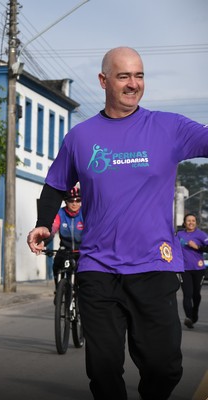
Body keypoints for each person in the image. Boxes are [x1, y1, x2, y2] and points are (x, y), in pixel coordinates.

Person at [26, 47, 208, 400]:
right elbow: (55, 184)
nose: (133, 84)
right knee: (103, 369)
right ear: (104, 80)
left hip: (154, 266)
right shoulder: (80, 137)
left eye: (139, 75)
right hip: (99, 267)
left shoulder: (169, 127)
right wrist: (43, 223)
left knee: (164, 367)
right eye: (124, 76)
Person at [175, 213, 208, 329]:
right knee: (187, 294)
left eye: (193, 221)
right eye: (188, 221)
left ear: (196, 223)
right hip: (184, 269)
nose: (191, 223)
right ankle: (189, 318)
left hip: (198, 269)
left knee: (196, 294)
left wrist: (197, 247)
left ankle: (195, 313)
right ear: (184, 223)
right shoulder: (179, 235)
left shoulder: (201, 235)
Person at [48, 186, 83, 287]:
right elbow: (52, 229)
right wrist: (44, 241)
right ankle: (59, 289)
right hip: (65, 250)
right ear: (66, 201)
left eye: (78, 200)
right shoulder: (60, 213)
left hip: (82, 251)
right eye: (71, 200)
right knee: (56, 265)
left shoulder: (85, 213)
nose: (74, 203)